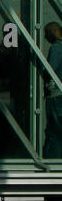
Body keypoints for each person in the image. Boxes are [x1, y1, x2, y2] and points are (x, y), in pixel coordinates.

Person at [45, 22, 62, 158]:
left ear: (55, 31)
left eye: (47, 33)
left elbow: (49, 70)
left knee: (54, 131)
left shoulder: (56, 48)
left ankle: (53, 161)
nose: (45, 37)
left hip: (56, 97)